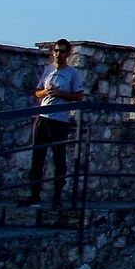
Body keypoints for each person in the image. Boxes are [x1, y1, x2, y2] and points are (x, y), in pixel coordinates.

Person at [26, 41, 86, 208]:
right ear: (53, 52)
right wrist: (46, 92)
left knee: (59, 158)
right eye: (57, 51)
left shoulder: (73, 74)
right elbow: (37, 92)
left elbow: (79, 96)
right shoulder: (48, 70)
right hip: (43, 117)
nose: (59, 54)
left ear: (68, 54)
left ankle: (57, 197)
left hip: (60, 120)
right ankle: (34, 195)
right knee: (38, 157)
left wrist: (60, 94)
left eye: (63, 51)